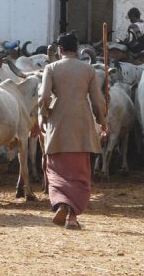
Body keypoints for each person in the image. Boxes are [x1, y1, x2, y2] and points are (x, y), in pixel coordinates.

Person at [38, 32, 108, 230]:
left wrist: (44, 115)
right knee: (80, 172)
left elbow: (44, 96)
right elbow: (97, 101)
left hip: (58, 123)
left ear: (59, 50)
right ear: (77, 49)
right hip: (81, 124)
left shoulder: (51, 68)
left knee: (56, 169)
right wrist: (102, 121)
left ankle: (61, 203)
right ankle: (73, 217)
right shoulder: (88, 69)